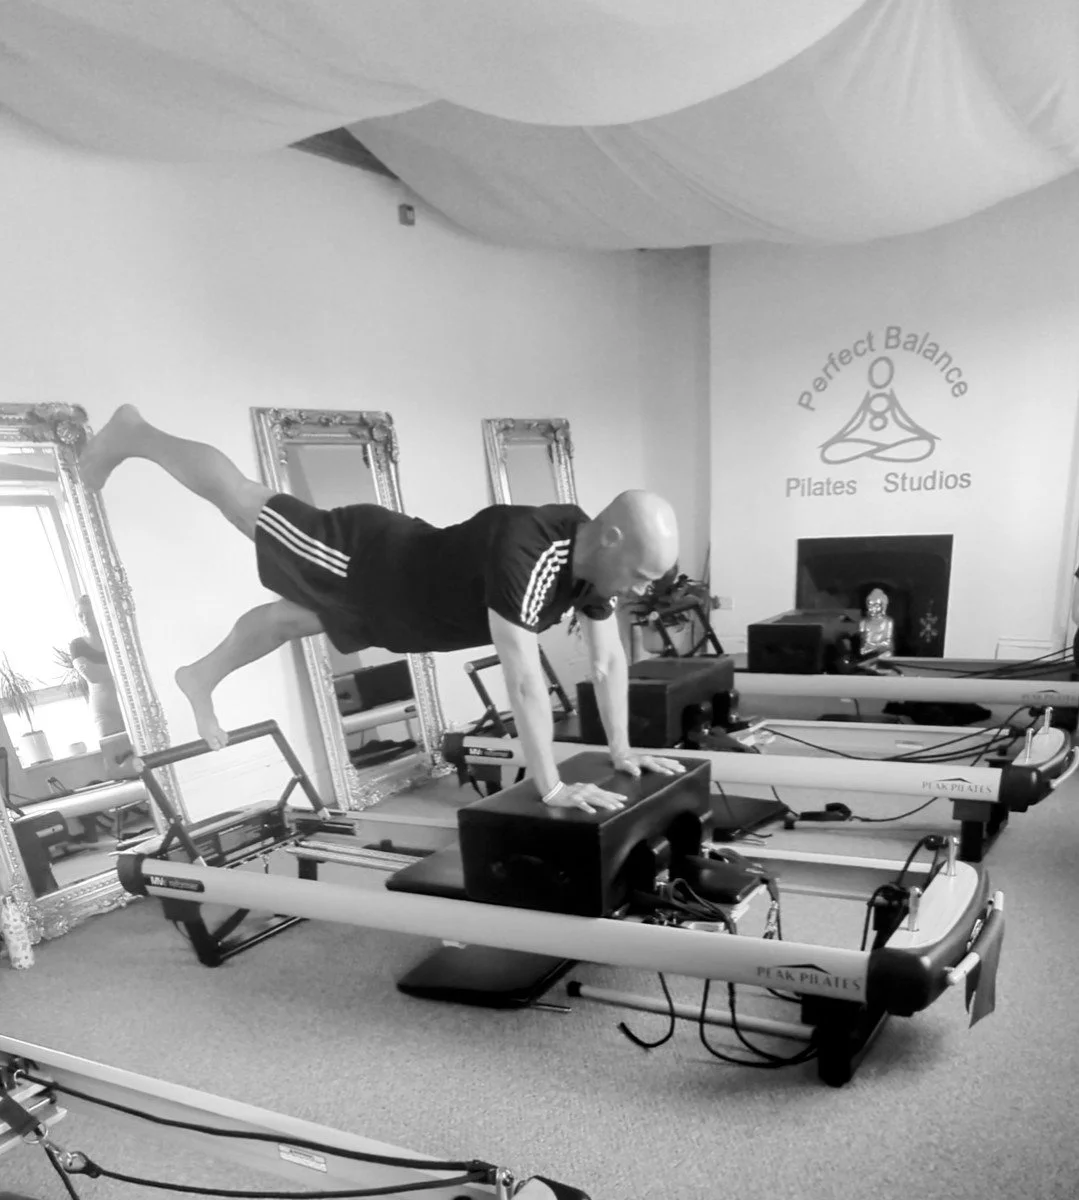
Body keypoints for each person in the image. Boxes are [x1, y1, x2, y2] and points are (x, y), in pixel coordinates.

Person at [79, 405, 685, 813]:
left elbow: (608, 664)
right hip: (366, 561)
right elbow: (525, 681)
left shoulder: (589, 568)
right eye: (638, 574)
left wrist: (624, 752)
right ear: (610, 541)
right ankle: (135, 434)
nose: (635, 590)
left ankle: (200, 677)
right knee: (244, 502)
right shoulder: (529, 554)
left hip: (399, 614)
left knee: (289, 619)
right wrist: (549, 785)